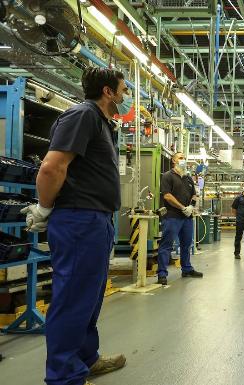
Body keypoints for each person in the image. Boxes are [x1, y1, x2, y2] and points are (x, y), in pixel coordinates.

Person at [20, 67, 129, 385]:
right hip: (79, 220)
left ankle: (85, 359)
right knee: (72, 299)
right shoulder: (82, 115)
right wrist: (44, 207)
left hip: (97, 220)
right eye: (122, 89)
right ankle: (63, 375)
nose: (125, 96)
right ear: (108, 91)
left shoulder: (102, 124)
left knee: (90, 298)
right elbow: (52, 167)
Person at [156, 152, 204, 285]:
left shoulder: (188, 178)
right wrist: (183, 207)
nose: (183, 160)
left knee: (186, 245)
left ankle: (187, 269)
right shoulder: (167, 176)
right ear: (174, 160)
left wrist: (191, 207)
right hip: (172, 217)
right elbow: (167, 196)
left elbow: (194, 195)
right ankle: (162, 273)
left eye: (184, 158)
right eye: (180, 158)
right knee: (166, 245)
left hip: (187, 218)